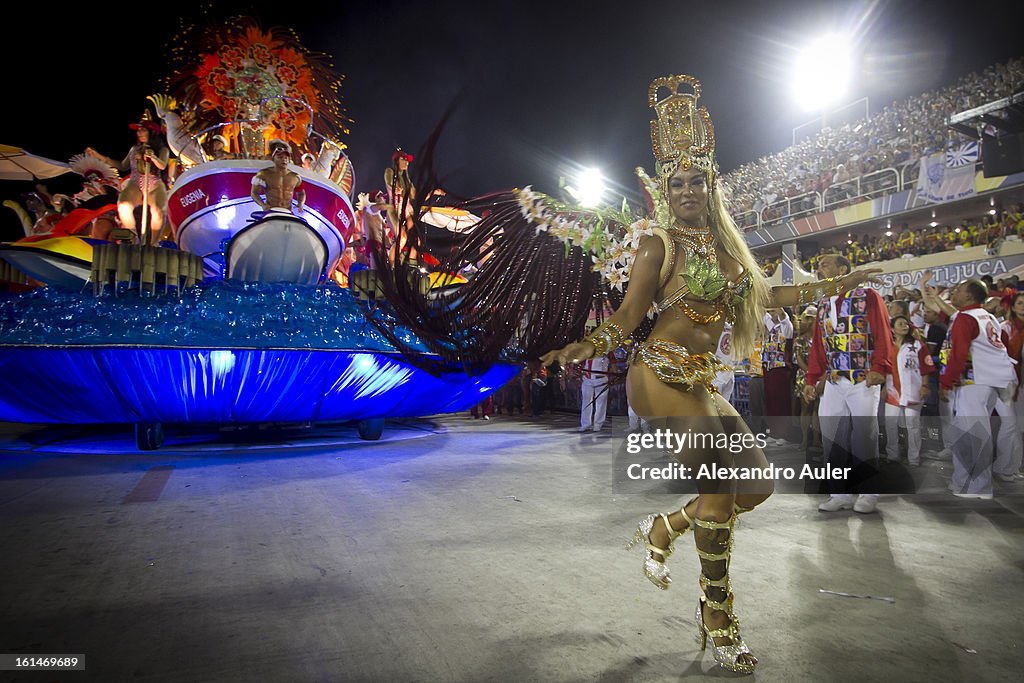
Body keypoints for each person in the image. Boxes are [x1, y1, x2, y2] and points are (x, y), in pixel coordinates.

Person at [542, 75, 877, 674]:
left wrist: (836, 284)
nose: (688, 190)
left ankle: (665, 525)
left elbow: (769, 298)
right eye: (676, 181)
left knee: (757, 486)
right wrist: (583, 344)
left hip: (698, 381)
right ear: (665, 189)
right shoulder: (657, 245)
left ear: (711, 183)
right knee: (721, 489)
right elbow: (628, 314)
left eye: (697, 179)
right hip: (656, 377)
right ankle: (718, 616)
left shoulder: (730, 251)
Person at [803, 253, 893, 515]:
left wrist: (880, 367)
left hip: (862, 378)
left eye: (825, 265)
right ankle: (838, 492)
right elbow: (818, 345)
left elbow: (882, 333)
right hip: (833, 380)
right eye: (818, 265)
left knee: (864, 435)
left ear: (843, 269)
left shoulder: (868, 297)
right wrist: (811, 378)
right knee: (832, 437)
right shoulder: (823, 302)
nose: (819, 270)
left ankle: (868, 492)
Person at [939, 279, 1019, 497]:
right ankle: (963, 482)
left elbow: (959, 354)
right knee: (969, 432)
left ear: (969, 296)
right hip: (994, 380)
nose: (954, 292)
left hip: (974, 381)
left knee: (972, 434)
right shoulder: (987, 315)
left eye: (959, 289)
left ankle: (978, 487)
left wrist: (946, 381)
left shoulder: (966, 318)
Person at [85, 111, 170, 245]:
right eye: (138, 131)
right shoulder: (134, 149)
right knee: (124, 205)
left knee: (159, 209)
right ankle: (133, 236)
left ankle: (154, 242)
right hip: (136, 182)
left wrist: (153, 157)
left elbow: (162, 166)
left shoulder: (162, 149)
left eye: (142, 130)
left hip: (154, 182)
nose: (139, 133)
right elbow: (122, 166)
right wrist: (98, 156)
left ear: (151, 132)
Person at [884, 315, 935, 466]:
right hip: (892, 390)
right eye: (900, 324)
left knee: (912, 425)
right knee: (890, 424)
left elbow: (926, 368)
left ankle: (914, 458)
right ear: (892, 329)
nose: (904, 326)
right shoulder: (887, 346)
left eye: (906, 324)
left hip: (913, 390)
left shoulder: (918, 345)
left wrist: (925, 386)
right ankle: (892, 455)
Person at [250, 141, 306, 215]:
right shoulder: (264, 174)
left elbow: (301, 193)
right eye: (280, 157)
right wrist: (263, 205)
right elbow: (254, 193)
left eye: (286, 158)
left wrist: (300, 204)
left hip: (288, 212)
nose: (284, 160)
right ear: (273, 159)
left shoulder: (295, 177)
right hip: (271, 211)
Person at [578, 351, 610, 432]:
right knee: (586, 402)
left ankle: (598, 424)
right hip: (587, 379)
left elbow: (613, 364)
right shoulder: (587, 350)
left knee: (601, 403)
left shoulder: (607, 351)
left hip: (601, 379)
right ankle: (585, 424)